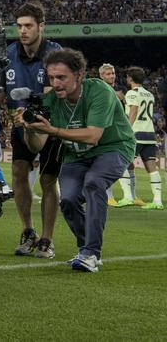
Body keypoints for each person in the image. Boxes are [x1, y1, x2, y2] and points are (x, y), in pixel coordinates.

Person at [18, 48, 136, 272]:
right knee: (69, 200)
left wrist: (53, 129)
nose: (56, 83)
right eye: (52, 78)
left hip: (113, 147)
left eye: (61, 77)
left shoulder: (99, 91)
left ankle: (90, 253)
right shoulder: (51, 99)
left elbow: (93, 136)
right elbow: (37, 145)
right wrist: (30, 129)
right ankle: (87, 251)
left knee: (94, 183)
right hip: (75, 154)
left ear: (79, 74)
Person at [5, 1, 62, 258]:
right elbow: (1, 94)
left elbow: (56, 92)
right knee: (18, 171)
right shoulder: (8, 54)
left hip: (50, 124)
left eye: (28, 25)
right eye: (19, 26)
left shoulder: (55, 53)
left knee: (48, 178)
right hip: (20, 122)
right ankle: (28, 231)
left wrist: (30, 110)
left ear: (41, 26)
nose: (23, 31)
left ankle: (47, 238)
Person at [99, 62, 139, 206]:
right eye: (108, 74)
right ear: (102, 76)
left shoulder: (118, 90)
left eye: (113, 73)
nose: (112, 76)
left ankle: (133, 196)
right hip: (106, 132)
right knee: (107, 164)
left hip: (120, 132)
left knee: (129, 164)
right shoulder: (100, 89)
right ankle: (108, 196)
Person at [124, 67, 161, 209]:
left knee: (123, 164)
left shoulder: (132, 93)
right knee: (152, 167)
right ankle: (157, 201)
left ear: (130, 79)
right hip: (150, 134)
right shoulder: (149, 94)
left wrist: (127, 129)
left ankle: (128, 197)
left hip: (136, 133)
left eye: (127, 77)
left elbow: (133, 110)